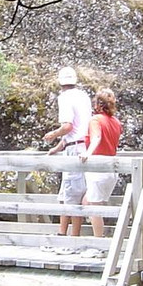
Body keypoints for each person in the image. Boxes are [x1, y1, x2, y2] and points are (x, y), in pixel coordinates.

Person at [42, 66, 92, 248]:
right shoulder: (84, 96)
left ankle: (71, 240)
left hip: (75, 151)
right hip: (82, 146)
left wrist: (53, 134)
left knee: (72, 195)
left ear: (60, 82)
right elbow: (80, 127)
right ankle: (64, 235)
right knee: (69, 193)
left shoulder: (64, 98)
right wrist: (59, 146)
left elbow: (68, 126)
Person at [79, 88, 122, 240]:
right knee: (86, 202)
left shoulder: (96, 120)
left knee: (94, 207)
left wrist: (88, 153)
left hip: (98, 169)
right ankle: (95, 235)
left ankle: (99, 242)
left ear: (97, 104)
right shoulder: (116, 122)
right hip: (111, 170)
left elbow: (96, 137)